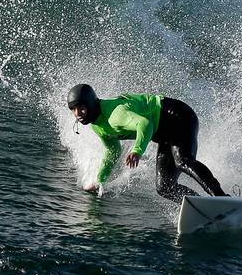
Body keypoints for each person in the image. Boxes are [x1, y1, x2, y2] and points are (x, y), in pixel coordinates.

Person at [67, 83, 226, 202]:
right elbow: (112, 150)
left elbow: (144, 124)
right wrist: (100, 181)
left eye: (81, 108)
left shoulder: (115, 115)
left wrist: (137, 150)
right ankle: (201, 205)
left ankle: (221, 198)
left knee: (182, 161)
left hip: (177, 115)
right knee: (164, 187)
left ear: (90, 103)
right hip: (163, 133)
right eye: (73, 109)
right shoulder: (98, 125)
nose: (77, 114)